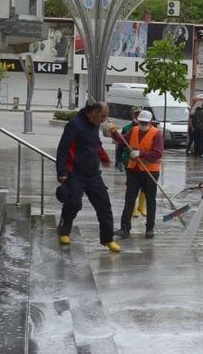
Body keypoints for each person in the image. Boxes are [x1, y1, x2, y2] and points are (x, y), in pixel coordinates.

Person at [55, 102, 121, 252]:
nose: (104, 120)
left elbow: (95, 143)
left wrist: (103, 157)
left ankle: (108, 239)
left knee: (104, 206)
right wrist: (61, 172)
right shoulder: (74, 125)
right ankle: (64, 230)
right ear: (93, 113)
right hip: (76, 174)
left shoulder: (95, 124)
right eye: (103, 116)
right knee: (73, 203)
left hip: (93, 174)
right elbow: (63, 148)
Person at [111, 110, 164, 239]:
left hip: (150, 171)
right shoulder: (134, 130)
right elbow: (122, 140)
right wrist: (113, 132)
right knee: (129, 199)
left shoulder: (156, 134)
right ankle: (125, 228)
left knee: (150, 200)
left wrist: (141, 153)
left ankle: (150, 228)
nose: (143, 124)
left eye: (145, 122)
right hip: (133, 170)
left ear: (150, 122)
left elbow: (158, 153)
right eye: (141, 122)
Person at [115, 106, 147, 217]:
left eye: (139, 114)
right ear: (132, 115)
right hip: (129, 160)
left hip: (143, 160)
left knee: (145, 184)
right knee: (132, 186)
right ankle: (132, 208)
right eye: (136, 114)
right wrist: (118, 160)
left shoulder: (146, 127)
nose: (138, 116)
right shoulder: (127, 128)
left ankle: (141, 206)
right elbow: (120, 145)